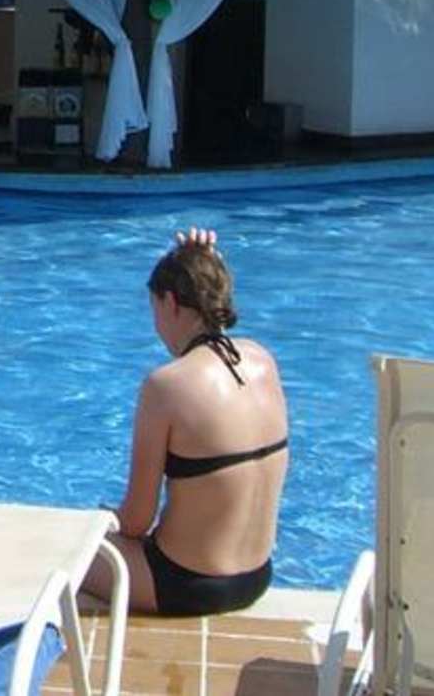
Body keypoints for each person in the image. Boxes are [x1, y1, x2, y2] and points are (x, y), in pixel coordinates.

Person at [90, 229, 287, 618]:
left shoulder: (166, 385)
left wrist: (103, 517)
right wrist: (207, 265)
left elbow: (136, 521)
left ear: (170, 302)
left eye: (154, 309)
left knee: (60, 547)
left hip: (184, 585)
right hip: (257, 576)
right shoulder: (263, 361)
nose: (156, 325)